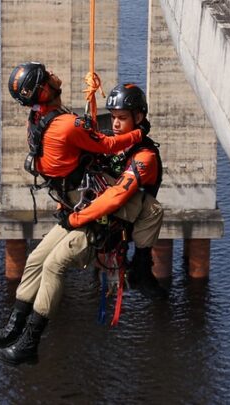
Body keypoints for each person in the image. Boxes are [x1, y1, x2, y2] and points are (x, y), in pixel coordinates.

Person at [0, 62, 148, 366]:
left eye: (122, 119)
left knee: (49, 263)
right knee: (38, 259)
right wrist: (138, 133)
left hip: (77, 204)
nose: (53, 72)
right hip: (85, 207)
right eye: (47, 74)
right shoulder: (67, 125)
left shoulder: (39, 119)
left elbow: (78, 138)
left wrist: (89, 106)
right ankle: (17, 332)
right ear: (44, 89)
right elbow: (105, 144)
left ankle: (25, 338)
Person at [57, 83, 167, 301]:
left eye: (122, 118)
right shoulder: (110, 141)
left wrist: (76, 219)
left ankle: (141, 266)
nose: (115, 124)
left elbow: (117, 196)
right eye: (113, 117)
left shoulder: (145, 156)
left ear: (137, 117)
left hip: (121, 213)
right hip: (98, 207)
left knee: (154, 210)